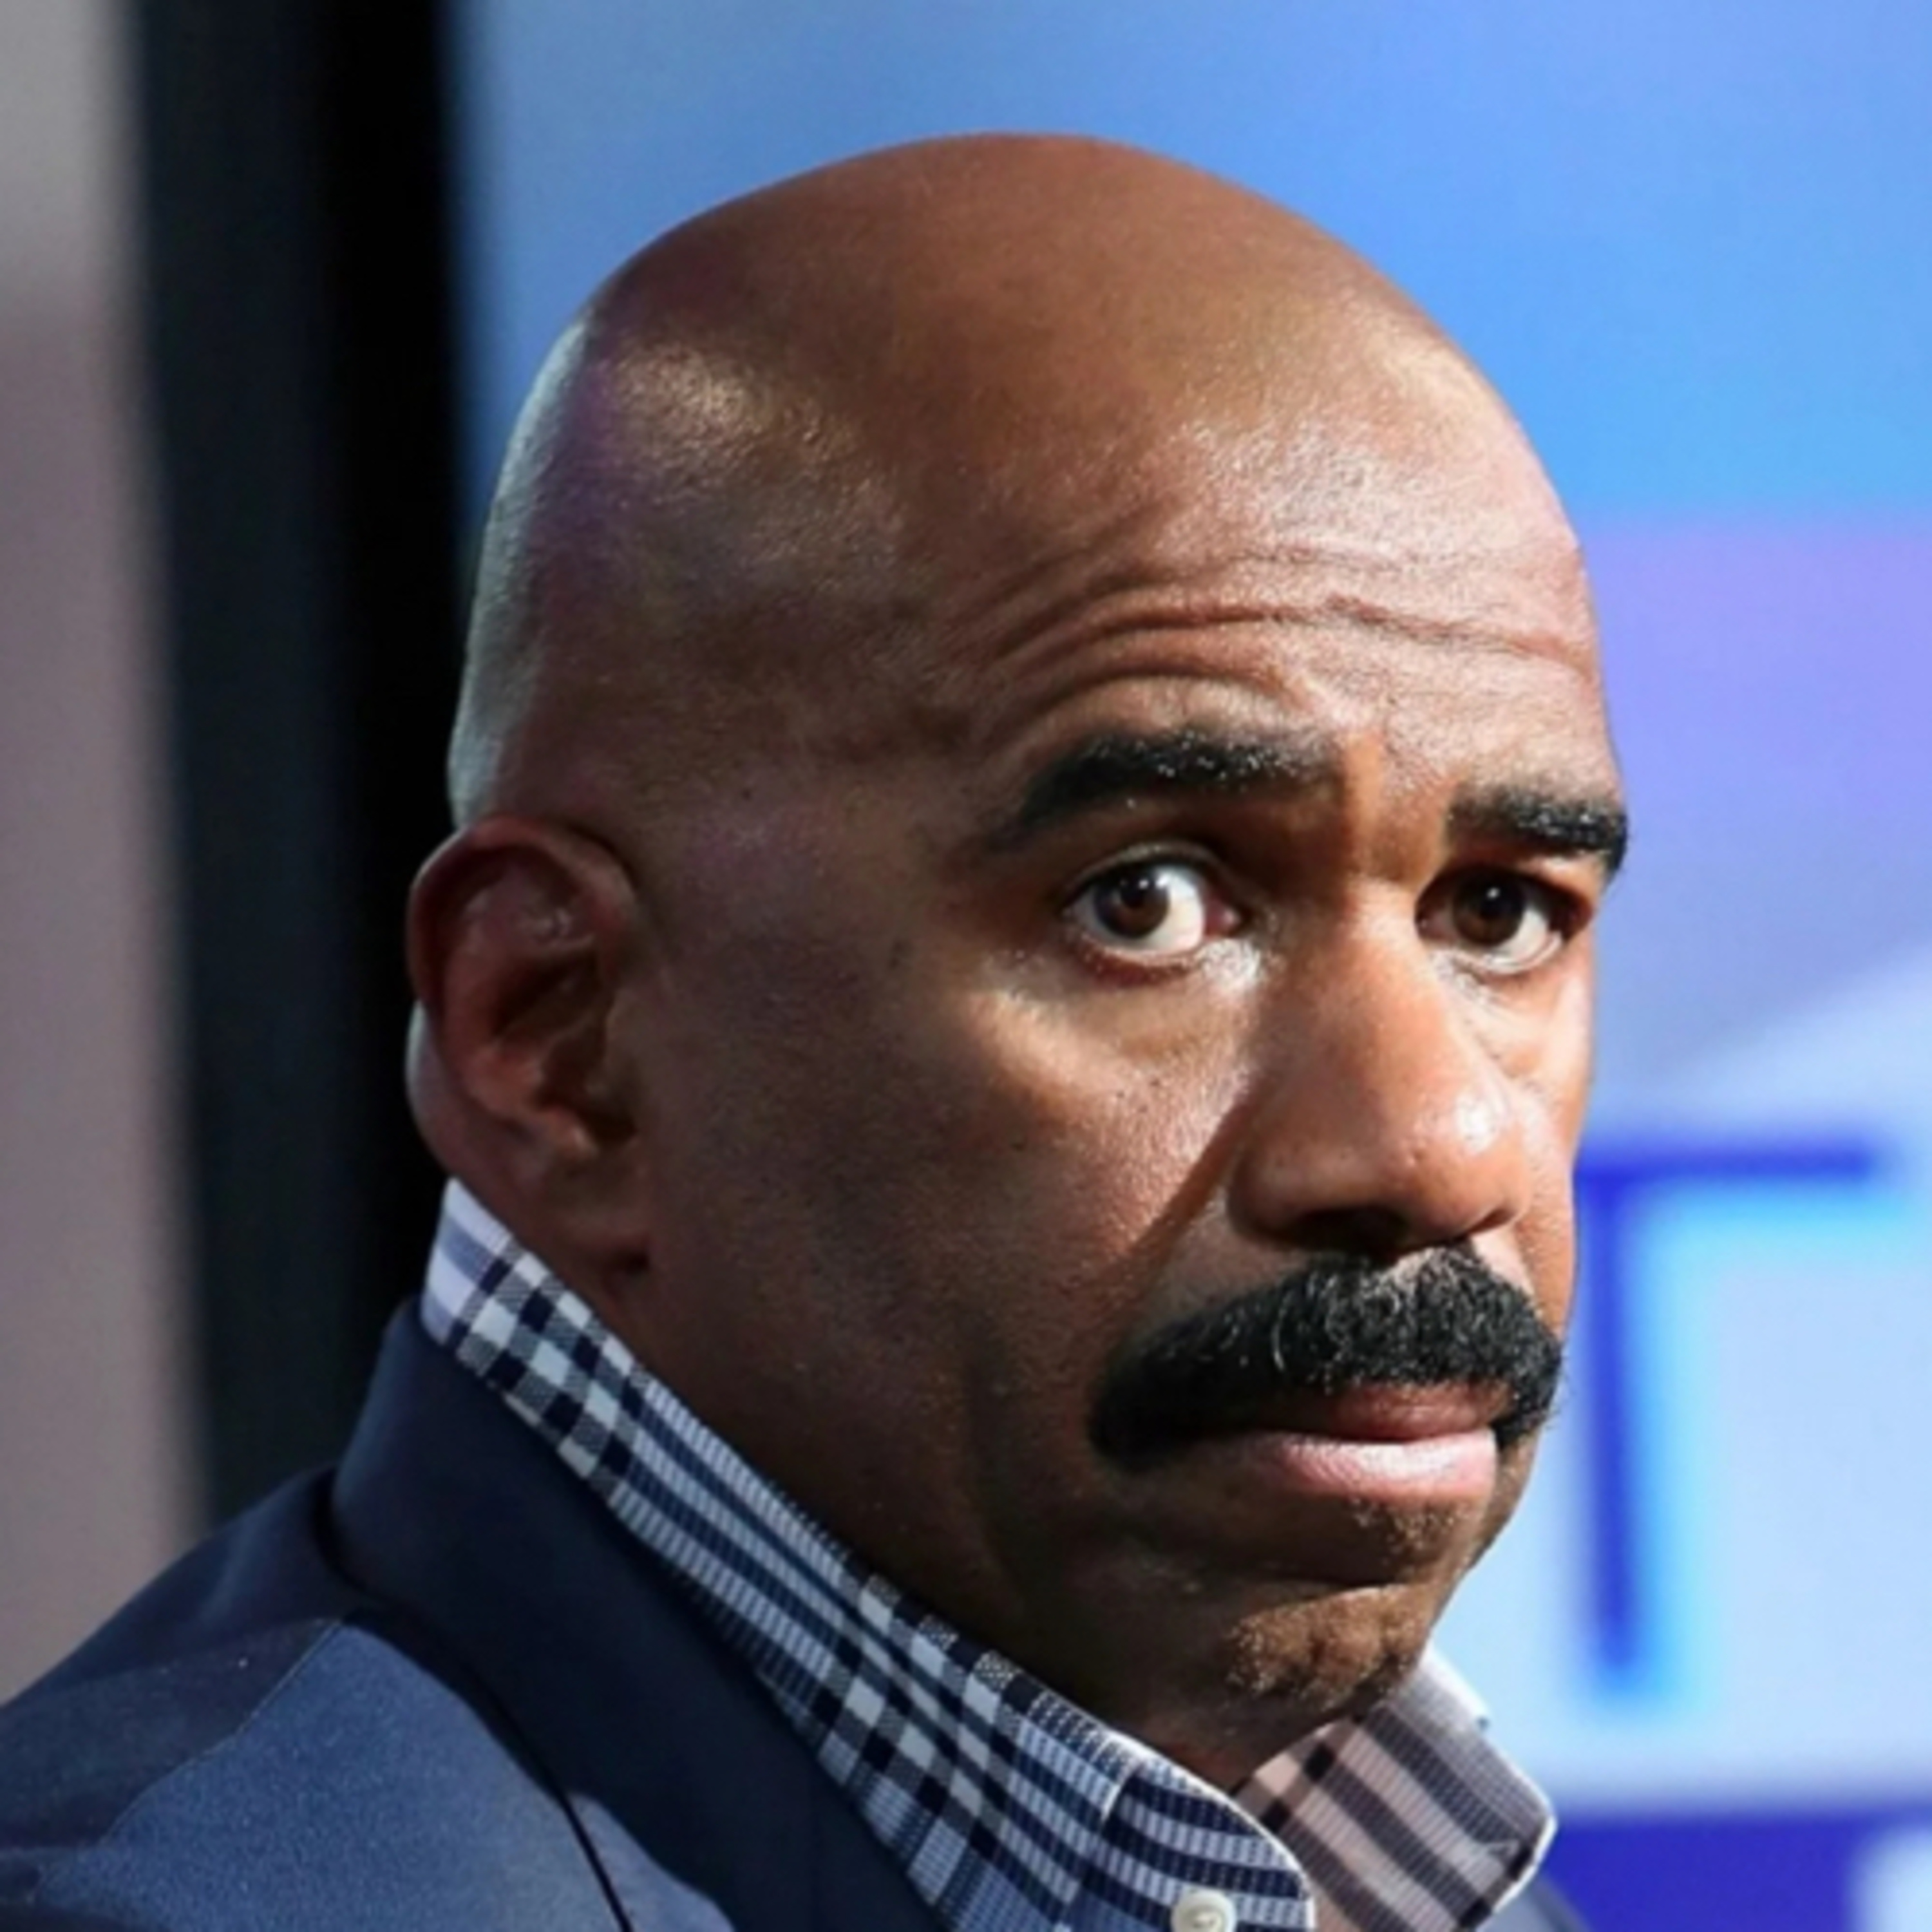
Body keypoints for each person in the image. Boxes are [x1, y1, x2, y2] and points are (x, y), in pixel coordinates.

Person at [0, 135, 1624, 1931]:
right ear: (557, 1040)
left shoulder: (1373, 1874)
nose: (1439, 1146)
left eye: (1500, 914)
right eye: (1147, 903)